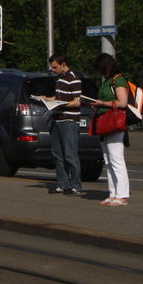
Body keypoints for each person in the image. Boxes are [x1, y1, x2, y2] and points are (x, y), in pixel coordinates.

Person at [92, 52, 131, 207]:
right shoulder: (108, 81)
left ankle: (122, 195)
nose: (100, 72)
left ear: (108, 66)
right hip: (105, 121)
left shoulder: (118, 79)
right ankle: (113, 193)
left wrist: (102, 103)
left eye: (101, 69)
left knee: (116, 158)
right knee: (109, 159)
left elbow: (122, 102)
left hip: (114, 122)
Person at [45, 54, 83, 195]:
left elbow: (78, 101)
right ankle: (62, 183)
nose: (53, 69)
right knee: (58, 154)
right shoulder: (60, 79)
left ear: (63, 64)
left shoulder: (73, 78)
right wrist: (48, 99)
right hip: (57, 119)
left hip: (69, 120)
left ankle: (76, 185)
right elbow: (60, 96)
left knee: (70, 154)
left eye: (55, 67)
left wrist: (62, 104)